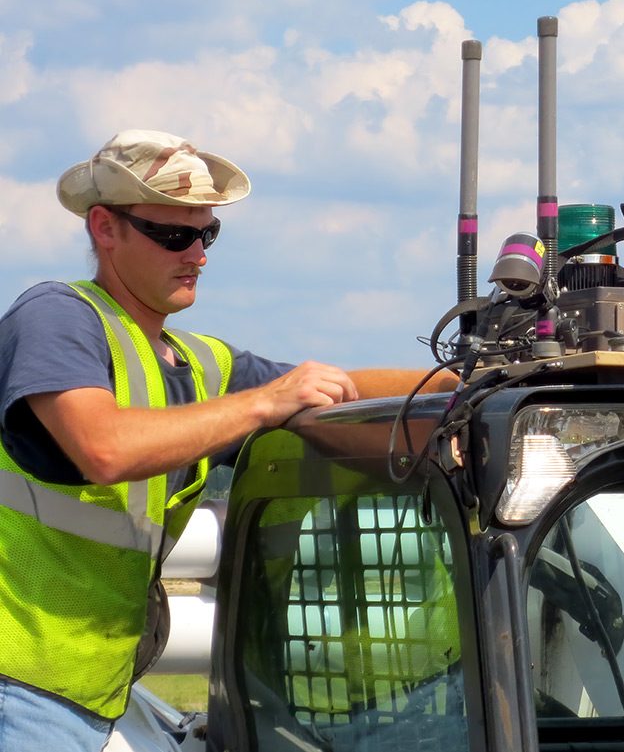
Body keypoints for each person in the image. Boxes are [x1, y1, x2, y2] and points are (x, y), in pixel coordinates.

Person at [0, 130, 446, 750]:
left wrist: (471, 378)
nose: (197, 255)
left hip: (87, 689)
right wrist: (265, 403)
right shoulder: (56, 314)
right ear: (105, 228)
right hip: (19, 687)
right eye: (174, 235)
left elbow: (334, 389)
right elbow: (102, 448)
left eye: (207, 234)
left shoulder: (200, 366)